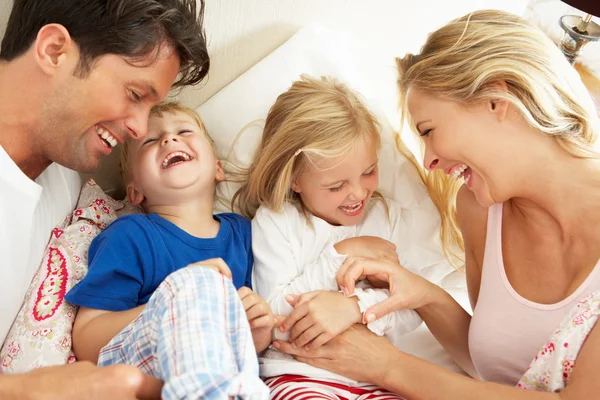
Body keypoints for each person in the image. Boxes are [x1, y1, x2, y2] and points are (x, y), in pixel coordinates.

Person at [273, 9, 600, 399]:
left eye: (428, 131)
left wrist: (388, 365)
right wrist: (425, 295)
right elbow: (498, 370)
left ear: (498, 98)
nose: (428, 161)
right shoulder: (479, 208)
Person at [0, 0, 217, 398]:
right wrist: (31, 390)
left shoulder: (64, 175)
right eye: (135, 94)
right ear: (54, 51)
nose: (138, 128)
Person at [232, 75, 451, 399]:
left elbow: (410, 307)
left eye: (368, 171)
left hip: (373, 379)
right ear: (295, 180)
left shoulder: (388, 219)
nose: (359, 193)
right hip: (300, 373)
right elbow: (274, 314)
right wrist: (340, 254)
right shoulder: (278, 221)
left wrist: (354, 307)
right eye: (336, 186)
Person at [65, 102, 272, 399]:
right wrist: (177, 294)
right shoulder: (131, 236)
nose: (169, 140)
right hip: (143, 373)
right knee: (198, 285)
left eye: (184, 131)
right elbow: (87, 342)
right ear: (135, 191)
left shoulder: (247, 233)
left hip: (232, 375)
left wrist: (258, 333)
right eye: (150, 140)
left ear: (218, 168)